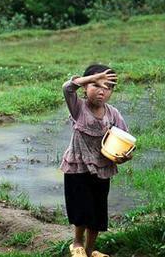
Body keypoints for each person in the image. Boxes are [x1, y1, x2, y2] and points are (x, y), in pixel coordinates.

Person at [61, 64, 133, 257]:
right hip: (78, 166)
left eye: (107, 87)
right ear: (85, 88)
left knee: (97, 210)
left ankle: (91, 249)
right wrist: (92, 77)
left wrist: (125, 156)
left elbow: (126, 141)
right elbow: (67, 88)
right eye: (96, 85)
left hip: (102, 168)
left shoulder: (113, 114)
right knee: (81, 208)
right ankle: (77, 244)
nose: (101, 91)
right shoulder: (78, 108)